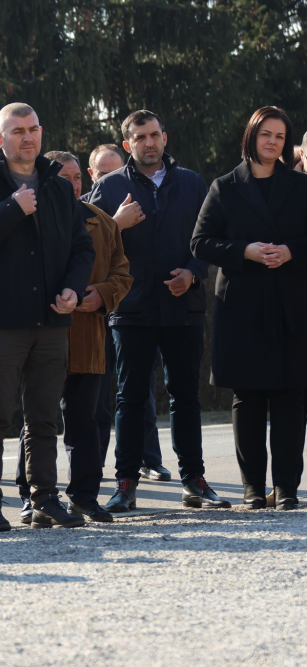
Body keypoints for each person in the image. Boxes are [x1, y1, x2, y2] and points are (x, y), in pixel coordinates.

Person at [0, 102, 95, 532]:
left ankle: (45, 498)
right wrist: (12, 208)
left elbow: (81, 247)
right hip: (0, 324)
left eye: (32, 129)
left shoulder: (56, 186)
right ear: (0, 139)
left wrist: (72, 287)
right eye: (16, 131)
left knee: (44, 418)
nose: (26, 137)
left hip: (51, 321)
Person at [88, 109, 229, 512]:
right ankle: (126, 484)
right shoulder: (110, 187)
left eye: (154, 135)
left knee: (186, 396)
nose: (148, 143)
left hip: (183, 306)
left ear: (164, 138)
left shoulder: (191, 183)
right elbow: (92, 249)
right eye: (139, 137)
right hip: (130, 309)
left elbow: (210, 240)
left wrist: (193, 272)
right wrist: (117, 224)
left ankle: (194, 482)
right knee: (129, 398)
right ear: (127, 143)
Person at [191, 106, 307, 510]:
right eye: (265, 135)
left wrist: (292, 251)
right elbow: (201, 242)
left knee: (291, 396)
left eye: (279, 136)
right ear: (251, 138)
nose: (273, 142)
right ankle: (253, 489)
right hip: (241, 306)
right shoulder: (225, 186)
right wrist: (246, 251)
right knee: (250, 397)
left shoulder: (301, 185)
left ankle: (288, 488)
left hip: (292, 306)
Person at [13, 151, 132, 523]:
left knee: (87, 422)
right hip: (43, 337)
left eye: (78, 177)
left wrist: (102, 294)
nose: (74, 184)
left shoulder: (102, 222)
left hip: (89, 338)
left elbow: (123, 274)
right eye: (65, 177)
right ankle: (31, 496)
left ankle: (84, 496)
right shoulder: (28, 220)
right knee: (38, 420)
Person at [87, 144, 169, 480]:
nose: (110, 179)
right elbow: (83, 248)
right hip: (94, 311)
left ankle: (149, 458)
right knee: (97, 396)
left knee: (138, 389)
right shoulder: (89, 205)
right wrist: (115, 224)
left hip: (131, 307)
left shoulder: (140, 201)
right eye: (103, 173)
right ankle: (93, 467)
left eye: (115, 172)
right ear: (93, 175)